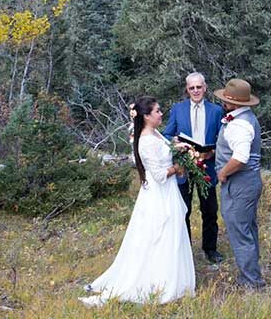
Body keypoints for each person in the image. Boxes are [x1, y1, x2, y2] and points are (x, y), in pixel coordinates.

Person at [82, 97, 195, 306]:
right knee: (158, 236)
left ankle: (172, 278)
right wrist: (177, 169)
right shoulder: (145, 140)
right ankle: (156, 282)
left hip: (166, 193)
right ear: (146, 116)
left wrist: (179, 149)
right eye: (158, 111)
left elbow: (166, 149)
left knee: (171, 234)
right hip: (158, 194)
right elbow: (160, 175)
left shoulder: (155, 134)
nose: (161, 114)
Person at [163, 72, 226, 264]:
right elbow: (166, 135)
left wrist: (212, 152)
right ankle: (185, 250)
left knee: (209, 210)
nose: (196, 91)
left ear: (205, 88)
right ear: (187, 90)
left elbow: (222, 139)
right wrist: (175, 142)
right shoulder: (178, 109)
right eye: (192, 88)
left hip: (207, 165)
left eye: (199, 87)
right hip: (184, 166)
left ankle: (210, 248)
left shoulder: (216, 111)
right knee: (184, 210)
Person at [214, 78, 267, 289]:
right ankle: (252, 274)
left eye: (225, 100)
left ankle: (251, 282)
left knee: (239, 231)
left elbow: (240, 157)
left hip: (240, 183)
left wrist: (223, 174)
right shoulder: (245, 118)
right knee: (247, 228)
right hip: (248, 182)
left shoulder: (240, 125)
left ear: (232, 103)